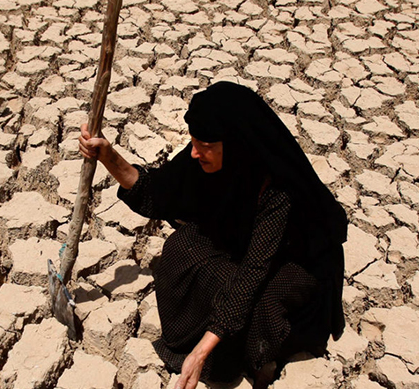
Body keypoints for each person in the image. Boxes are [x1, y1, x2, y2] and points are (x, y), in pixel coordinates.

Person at [78, 81, 347, 389]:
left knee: (260, 307)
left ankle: (251, 361)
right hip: (243, 246)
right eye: (193, 143)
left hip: (293, 262)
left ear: (234, 144)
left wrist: (201, 352)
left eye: (204, 147)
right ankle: (212, 341)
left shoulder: (278, 190)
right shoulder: (209, 155)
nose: (194, 153)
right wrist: (108, 156)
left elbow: (253, 273)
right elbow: (159, 191)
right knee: (182, 248)